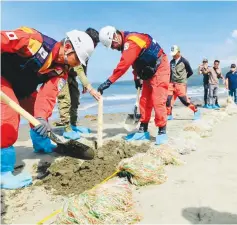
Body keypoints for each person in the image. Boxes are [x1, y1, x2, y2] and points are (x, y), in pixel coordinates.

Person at [1, 26, 95, 189]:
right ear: (67, 48)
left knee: (38, 117)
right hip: (3, 79)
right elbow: (3, 39)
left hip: (25, 89)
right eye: (78, 59)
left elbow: (48, 95)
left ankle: (42, 145)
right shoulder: (34, 41)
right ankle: (3, 172)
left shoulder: (62, 71)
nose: (78, 64)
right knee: (8, 117)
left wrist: (41, 117)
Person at [98, 26, 170, 145]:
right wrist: (136, 78)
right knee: (145, 100)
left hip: (160, 67)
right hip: (148, 70)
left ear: (115, 37)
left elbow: (124, 65)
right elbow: (135, 63)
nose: (112, 48)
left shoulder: (131, 41)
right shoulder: (126, 42)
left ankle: (162, 130)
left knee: (158, 100)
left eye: (112, 45)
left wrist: (109, 82)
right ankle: (143, 129)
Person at [56, 28, 100, 140]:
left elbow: (83, 67)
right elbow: (79, 69)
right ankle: (67, 128)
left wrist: (84, 84)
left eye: (95, 45)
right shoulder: (77, 45)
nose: (94, 47)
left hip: (72, 76)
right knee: (65, 99)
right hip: (61, 73)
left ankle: (73, 125)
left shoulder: (87, 49)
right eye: (94, 43)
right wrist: (89, 87)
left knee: (75, 99)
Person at [166, 45, 200, 120]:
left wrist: (183, 79)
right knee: (168, 100)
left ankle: (196, 110)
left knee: (184, 101)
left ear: (178, 52)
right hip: (171, 84)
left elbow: (190, 72)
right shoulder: (171, 62)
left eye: (175, 53)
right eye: (172, 54)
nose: (173, 55)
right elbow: (170, 73)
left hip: (180, 84)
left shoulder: (184, 61)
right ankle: (169, 114)